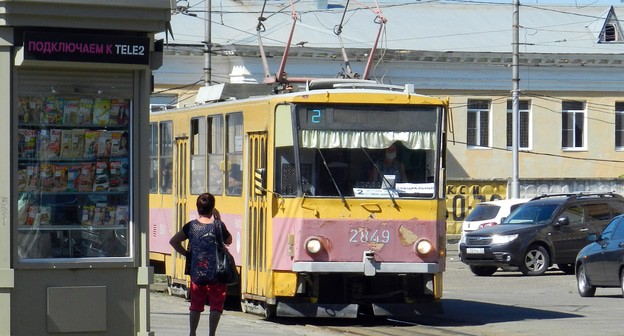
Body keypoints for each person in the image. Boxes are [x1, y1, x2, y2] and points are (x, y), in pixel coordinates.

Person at [170, 193, 232, 336]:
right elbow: (228, 240)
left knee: (196, 304)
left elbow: (173, 241)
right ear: (213, 208)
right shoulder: (218, 226)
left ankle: (192, 333)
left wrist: (187, 254)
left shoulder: (191, 226)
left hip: (197, 270)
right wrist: (219, 220)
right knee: (216, 304)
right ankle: (211, 334)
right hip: (217, 272)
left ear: (198, 208)